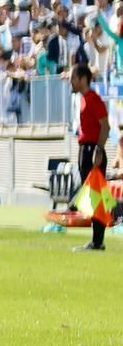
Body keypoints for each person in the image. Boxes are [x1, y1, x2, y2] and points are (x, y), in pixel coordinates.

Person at [70, 64, 109, 252]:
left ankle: (98, 241)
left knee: (96, 197)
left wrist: (99, 150)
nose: (71, 81)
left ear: (83, 79)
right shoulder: (84, 99)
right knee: (92, 197)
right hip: (85, 149)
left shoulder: (94, 100)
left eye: (74, 78)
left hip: (92, 151)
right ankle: (96, 240)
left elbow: (105, 126)